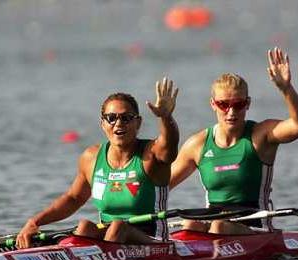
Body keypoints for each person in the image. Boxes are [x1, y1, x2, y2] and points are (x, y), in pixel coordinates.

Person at [16, 77, 179, 248]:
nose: (118, 123)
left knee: (118, 226)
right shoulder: (91, 158)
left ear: (138, 123)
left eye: (126, 118)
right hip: (111, 237)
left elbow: (169, 145)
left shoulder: (151, 154)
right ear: (102, 124)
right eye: (111, 118)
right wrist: (35, 222)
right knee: (85, 226)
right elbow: (73, 198)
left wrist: (166, 117)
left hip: (153, 241)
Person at [169, 47, 298, 234]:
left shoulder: (261, 135)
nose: (231, 112)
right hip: (215, 223)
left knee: (218, 226)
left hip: (255, 227)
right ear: (213, 104)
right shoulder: (197, 144)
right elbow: (160, 185)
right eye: (223, 104)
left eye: (238, 105)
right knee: (190, 224)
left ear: (248, 104)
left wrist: (286, 89)